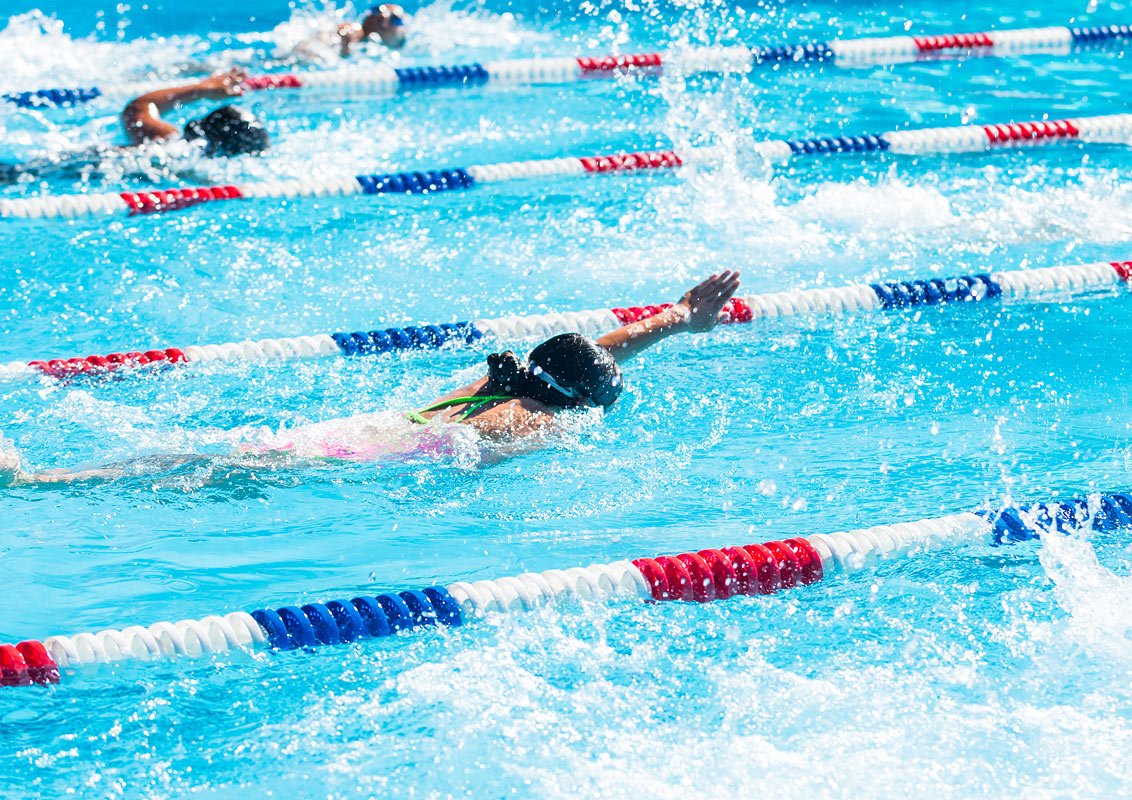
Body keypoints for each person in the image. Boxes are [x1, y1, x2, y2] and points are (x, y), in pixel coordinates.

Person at [0, 271, 741, 485]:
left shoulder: (523, 381)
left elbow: (592, 353)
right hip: (358, 456)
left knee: (199, 453)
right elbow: (477, 440)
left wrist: (677, 317)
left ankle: (42, 474)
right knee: (203, 466)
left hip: (362, 435)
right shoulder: (532, 418)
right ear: (575, 400)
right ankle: (34, 481)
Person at [0, 69, 268, 186]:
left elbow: (137, 108)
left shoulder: (169, 142)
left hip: (66, 165)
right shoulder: (199, 173)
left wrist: (200, 89)